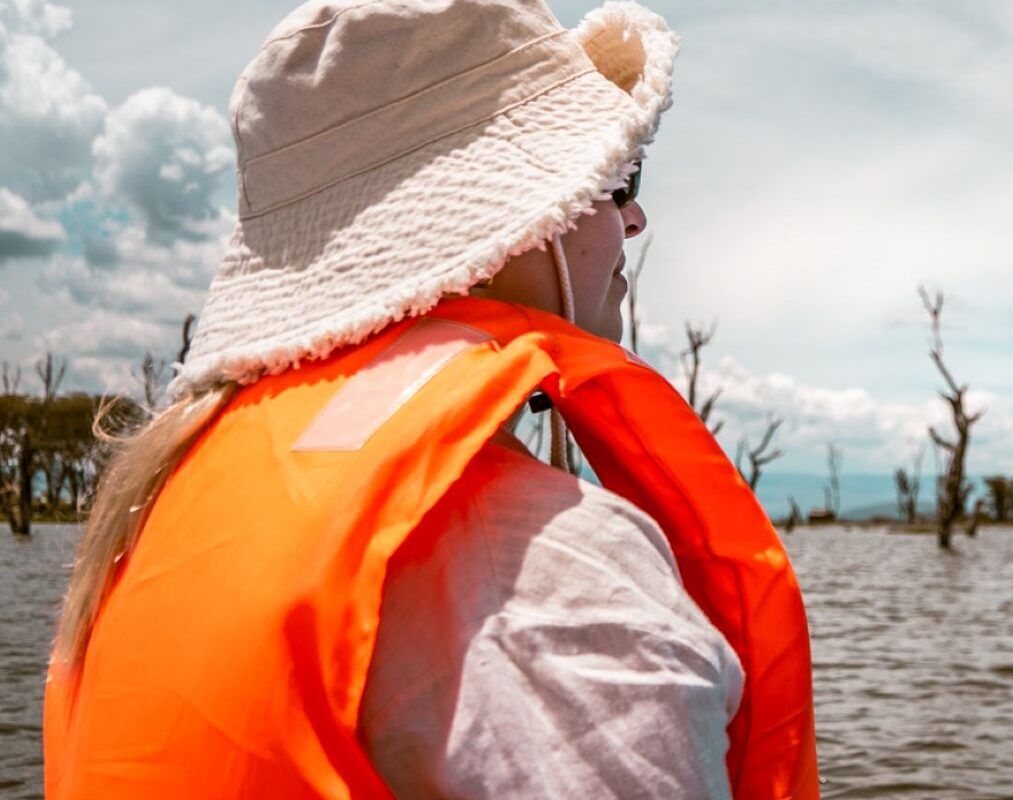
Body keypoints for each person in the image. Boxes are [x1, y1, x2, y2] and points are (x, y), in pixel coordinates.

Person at [39, 1, 818, 798]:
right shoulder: (546, 571)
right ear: (522, 222)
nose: (636, 217)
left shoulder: (156, 520)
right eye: (619, 181)